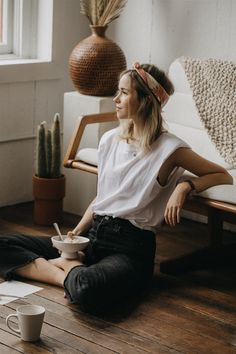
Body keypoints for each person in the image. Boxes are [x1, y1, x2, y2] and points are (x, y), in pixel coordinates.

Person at [0, 62, 232, 314]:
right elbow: (104, 196)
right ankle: (68, 269)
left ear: (145, 100)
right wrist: (76, 234)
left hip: (131, 248)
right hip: (94, 234)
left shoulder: (171, 149)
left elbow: (221, 175)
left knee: (89, 290)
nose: (116, 98)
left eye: (124, 92)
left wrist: (185, 186)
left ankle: (66, 268)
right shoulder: (110, 140)